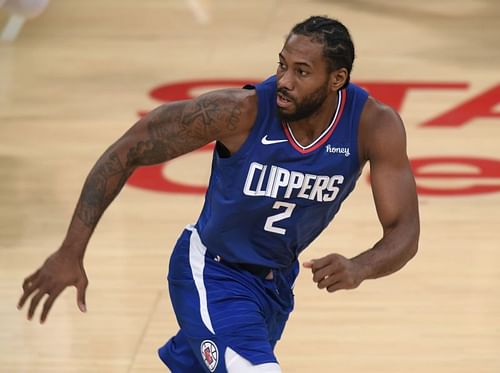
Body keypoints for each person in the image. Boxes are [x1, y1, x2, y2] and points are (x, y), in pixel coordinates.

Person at [18, 16, 420, 373]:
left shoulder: (374, 127)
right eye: (282, 65)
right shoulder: (238, 111)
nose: (284, 80)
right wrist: (71, 250)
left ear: (337, 79)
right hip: (212, 271)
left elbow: (404, 231)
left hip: (275, 285)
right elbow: (126, 150)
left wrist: (361, 266)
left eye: (302, 72)